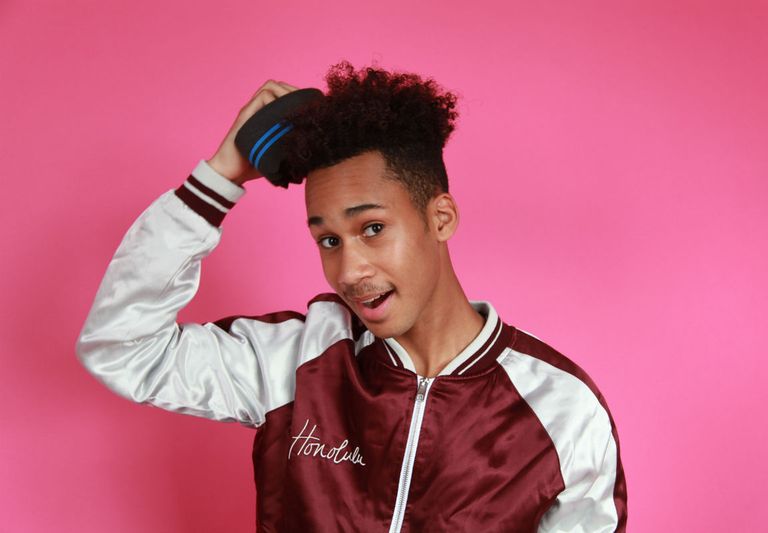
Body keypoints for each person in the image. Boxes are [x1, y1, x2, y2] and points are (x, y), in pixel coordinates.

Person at [76, 60, 627, 532]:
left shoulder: (562, 409)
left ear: (440, 218)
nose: (350, 269)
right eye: (328, 240)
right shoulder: (295, 362)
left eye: (372, 229)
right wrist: (220, 178)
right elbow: (122, 348)